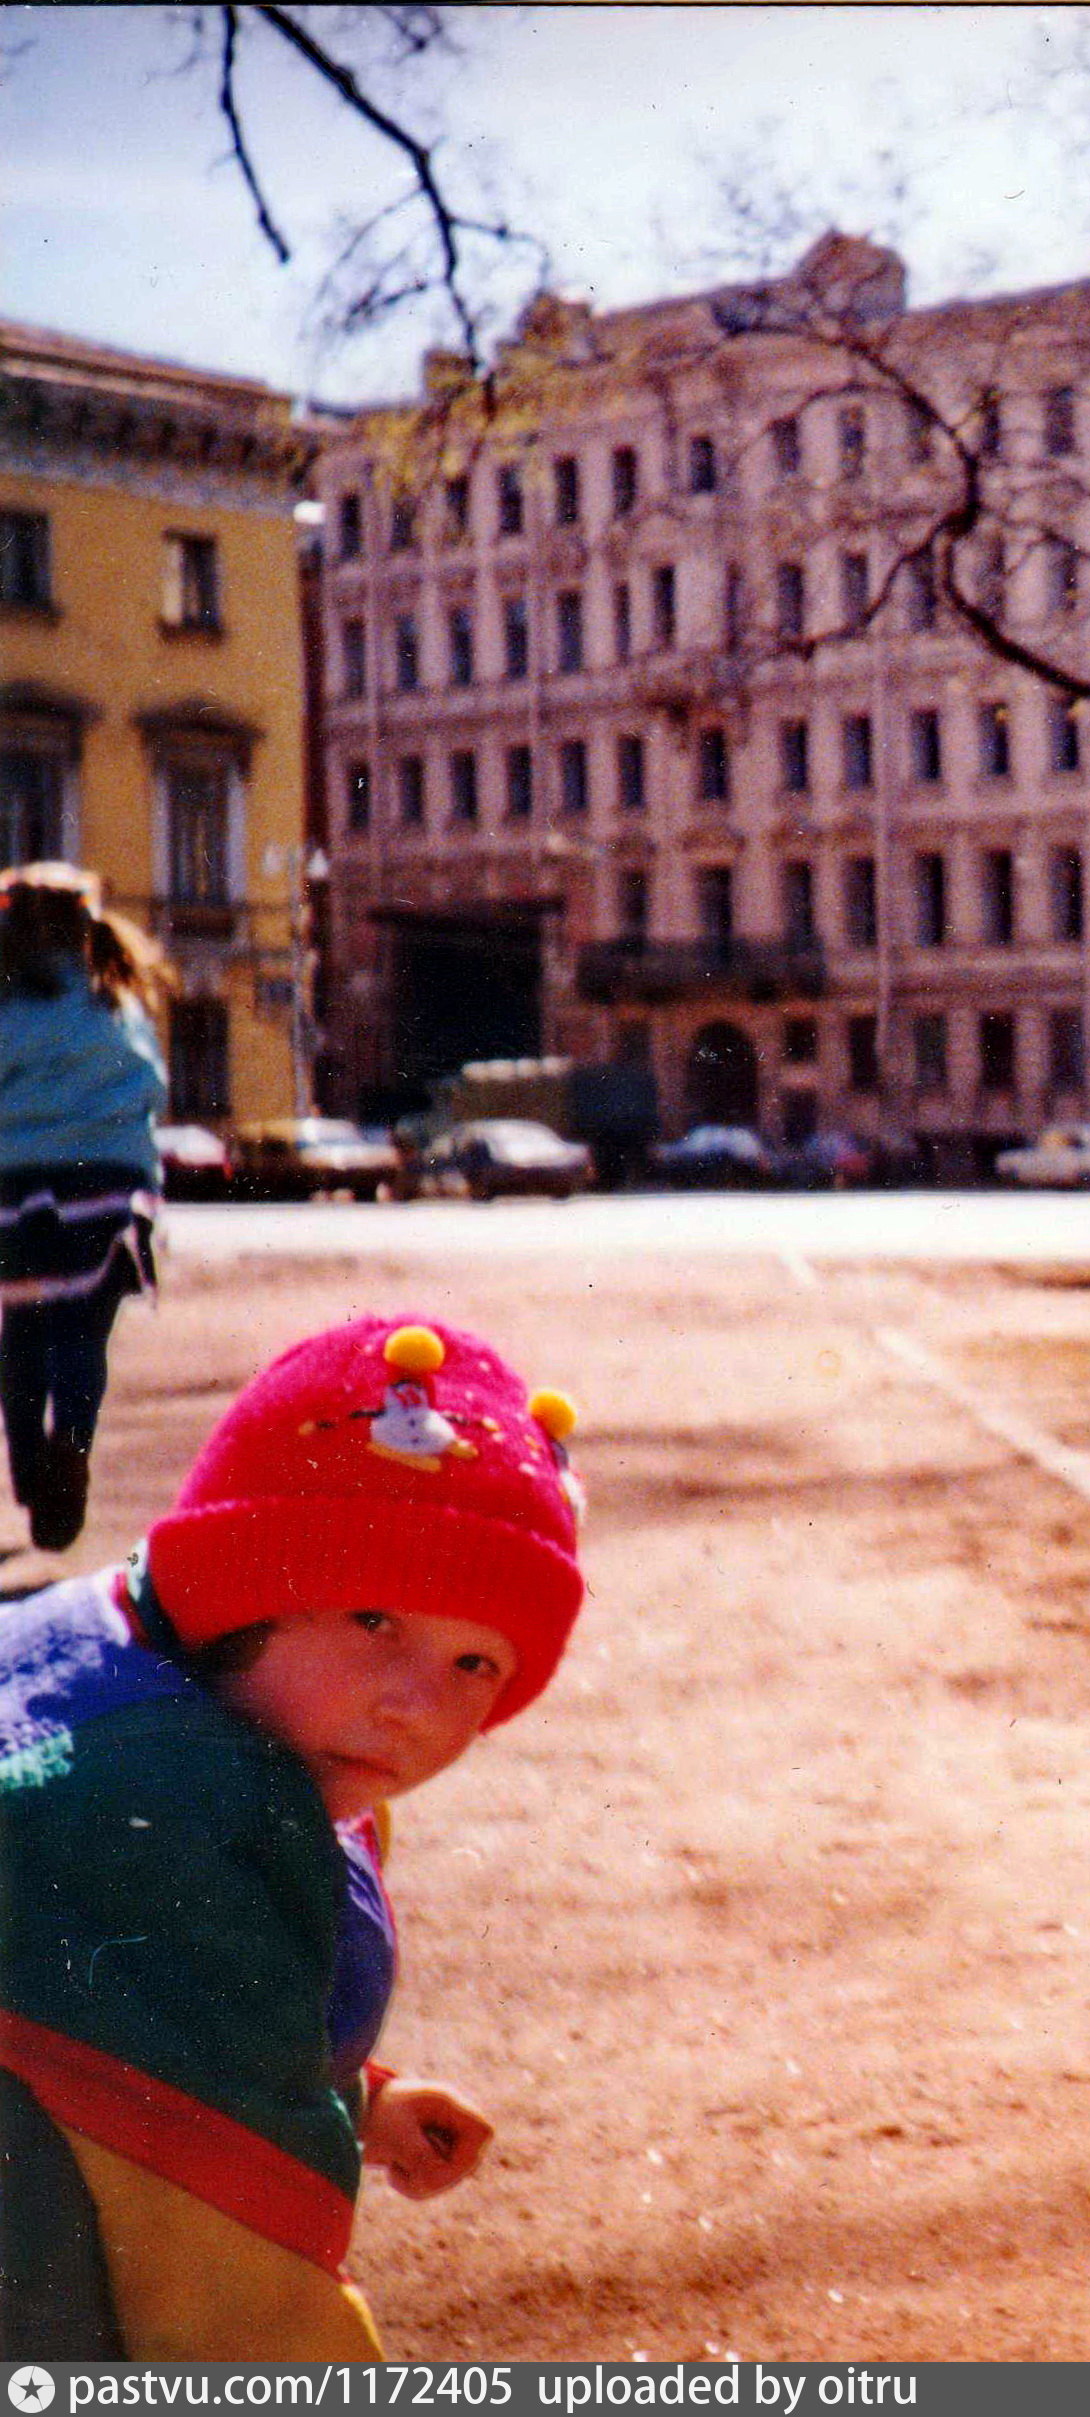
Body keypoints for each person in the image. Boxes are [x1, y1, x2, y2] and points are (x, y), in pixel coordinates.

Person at [0, 1314, 587, 2358]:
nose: (418, 1703)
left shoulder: (137, 1651)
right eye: (373, 1619)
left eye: (474, 1665)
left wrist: (350, 2092)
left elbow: (154, 2007)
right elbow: (229, 2266)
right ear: (243, 1589)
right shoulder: (165, 1805)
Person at [0, 866, 171, 1556]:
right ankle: (72, 1444)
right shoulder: (116, 996)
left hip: (14, 1189)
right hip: (109, 1185)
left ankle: (28, 1469)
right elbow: (152, 1087)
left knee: (20, 1332)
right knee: (82, 1334)